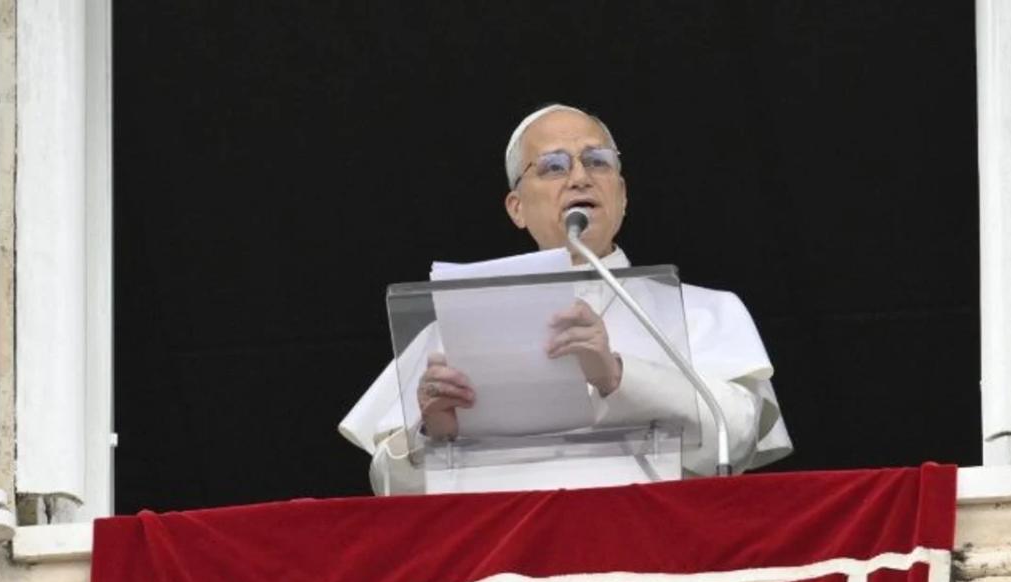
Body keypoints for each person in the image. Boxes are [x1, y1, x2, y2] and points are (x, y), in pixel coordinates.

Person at [339, 104, 792, 494]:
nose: (579, 177)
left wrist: (618, 376)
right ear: (517, 207)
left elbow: (740, 438)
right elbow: (389, 486)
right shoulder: (458, 327)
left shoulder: (704, 311)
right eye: (553, 166)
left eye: (598, 161)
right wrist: (434, 430)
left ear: (623, 193)